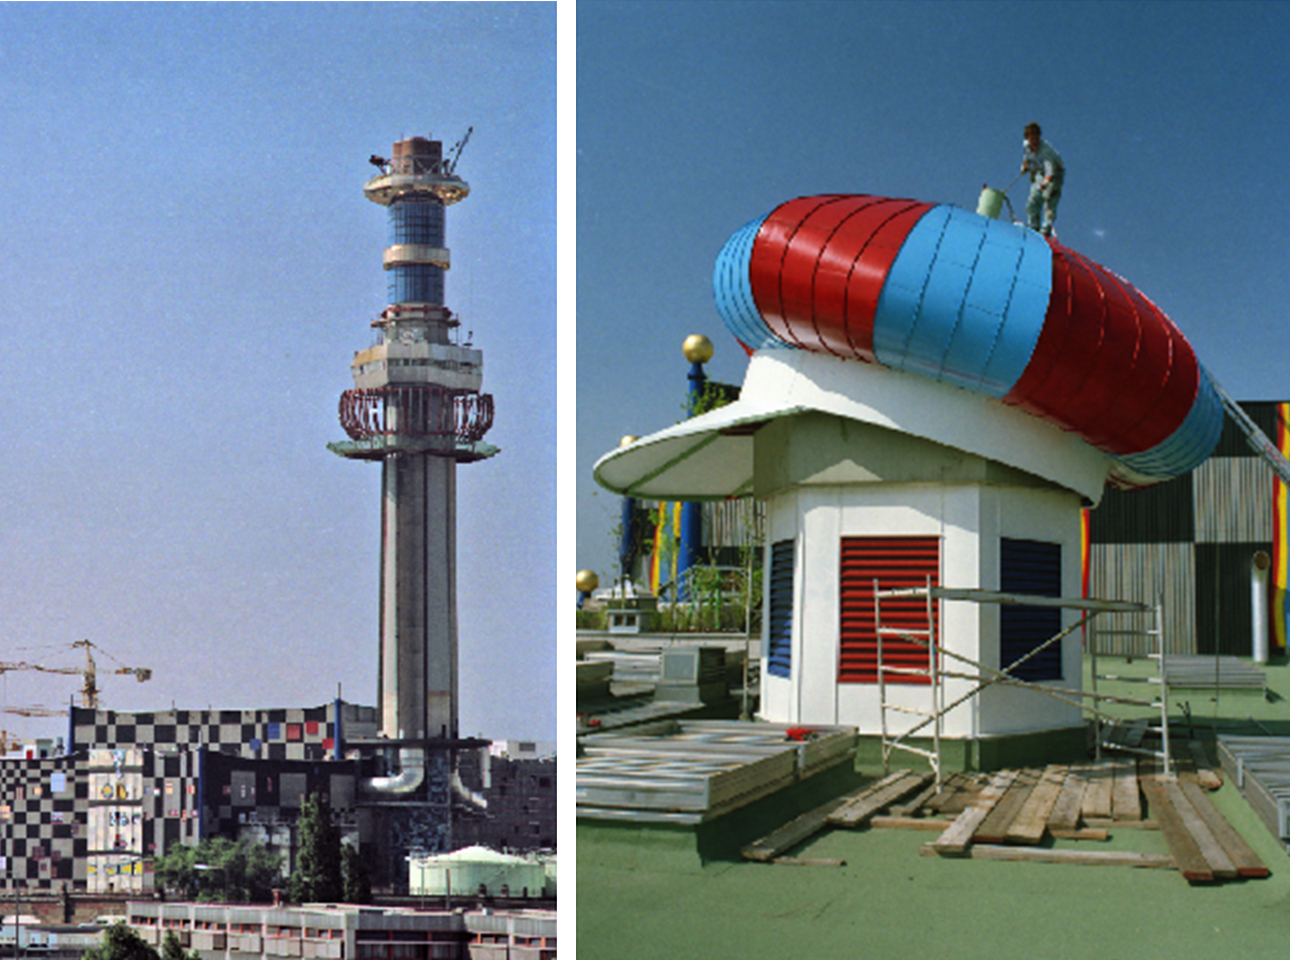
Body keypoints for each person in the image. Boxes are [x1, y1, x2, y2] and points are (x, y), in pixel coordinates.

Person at [1021, 122, 1064, 237]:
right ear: (1027, 138)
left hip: (1055, 173)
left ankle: (1046, 229)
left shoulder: (1046, 150)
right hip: (1040, 171)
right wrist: (1024, 166)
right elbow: (1026, 158)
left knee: (1049, 200)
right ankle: (1033, 226)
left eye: (1036, 138)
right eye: (1031, 139)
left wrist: (1045, 183)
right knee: (1033, 200)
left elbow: (1050, 171)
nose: (1034, 141)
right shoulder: (1026, 145)